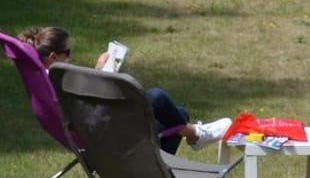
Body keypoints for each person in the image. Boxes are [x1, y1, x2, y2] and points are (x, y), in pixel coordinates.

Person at [18, 25, 230, 154]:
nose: (70, 57)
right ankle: (194, 135)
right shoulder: (59, 79)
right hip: (110, 141)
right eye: (68, 52)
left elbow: (85, 107)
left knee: (176, 114)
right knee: (158, 98)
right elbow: (96, 106)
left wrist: (100, 73)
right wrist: (103, 74)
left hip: (94, 137)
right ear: (53, 57)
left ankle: (189, 139)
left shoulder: (44, 82)